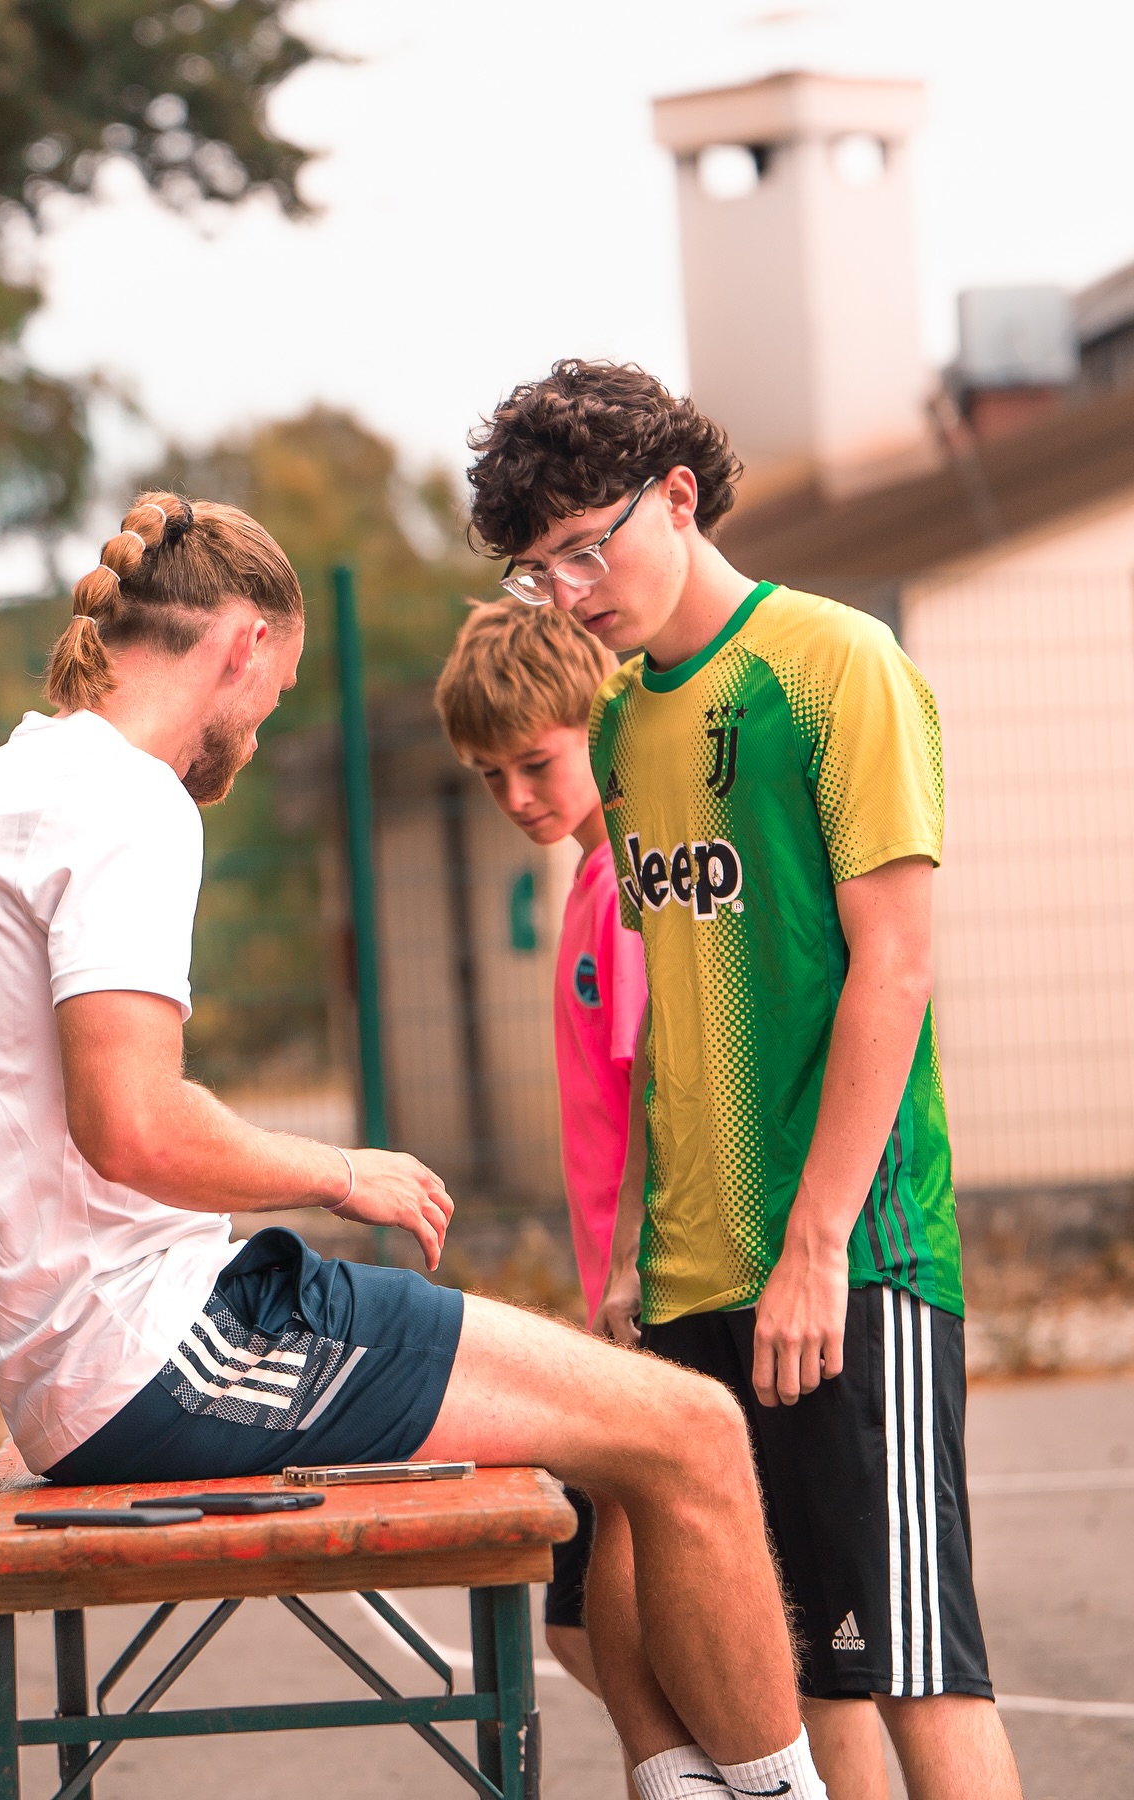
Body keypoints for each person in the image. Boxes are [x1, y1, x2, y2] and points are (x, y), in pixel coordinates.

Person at [0, 489, 832, 1800]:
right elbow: (130, 1122)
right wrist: (337, 1169)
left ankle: (683, 1778)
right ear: (242, 641)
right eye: (277, 689)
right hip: (170, 1353)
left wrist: (29, 1286)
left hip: (129, 1347)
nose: (263, 723)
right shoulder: (126, 801)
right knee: (695, 1431)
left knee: (630, 1433)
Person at [466, 361, 1023, 1800]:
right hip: (698, 1274)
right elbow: (672, 1023)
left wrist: (822, 1242)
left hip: (853, 1260)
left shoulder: (836, 666)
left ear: (678, 496)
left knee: (914, 1671)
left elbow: (892, 970)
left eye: (591, 546)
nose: (575, 590)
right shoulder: (630, 731)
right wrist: (648, 1247)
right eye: (542, 573)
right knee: (790, 1670)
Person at [433, 600, 646, 1712]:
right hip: (613, 1291)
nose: (514, 797)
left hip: (653, 1297)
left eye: (533, 763)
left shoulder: (633, 890)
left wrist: (630, 1276)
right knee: (578, 1620)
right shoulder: (587, 880)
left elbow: (664, 1091)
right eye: (486, 775)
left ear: (599, 723)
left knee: (629, 1605)